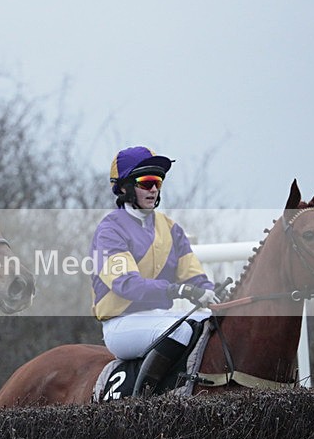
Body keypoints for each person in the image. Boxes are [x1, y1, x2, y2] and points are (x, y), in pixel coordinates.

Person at [89, 146, 220, 394]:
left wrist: (208, 292)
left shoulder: (171, 228)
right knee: (181, 331)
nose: (154, 189)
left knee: (209, 323)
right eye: (146, 182)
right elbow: (126, 284)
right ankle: (142, 401)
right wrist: (177, 290)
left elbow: (194, 274)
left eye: (157, 182)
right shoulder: (110, 230)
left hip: (159, 317)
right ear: (125, 187)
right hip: (122, 324)